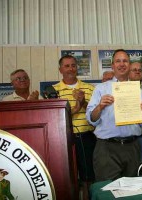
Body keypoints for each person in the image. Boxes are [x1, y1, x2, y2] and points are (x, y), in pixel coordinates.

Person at [86, 49, 142, 181]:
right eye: (118, 61)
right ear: (112, 66)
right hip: (107, 148)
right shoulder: (101, 89)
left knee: (133, 190)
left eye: (125, 61)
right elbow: (91, 119)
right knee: (108, 190)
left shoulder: (138, 91)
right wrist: (100, 106)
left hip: (132, 147)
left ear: (129, 65)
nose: (122, 64)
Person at [53, 55, 96, 196]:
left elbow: (96, 113)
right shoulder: (53, 91)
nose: (71, 69)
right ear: (60, 69)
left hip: (86, 138)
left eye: (73, 65)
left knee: (88, 177)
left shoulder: (89, 88)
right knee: (67, 178)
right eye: (67, 66)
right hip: (62, 140)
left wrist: (83, 102)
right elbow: (53, 117)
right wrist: (76, 109)